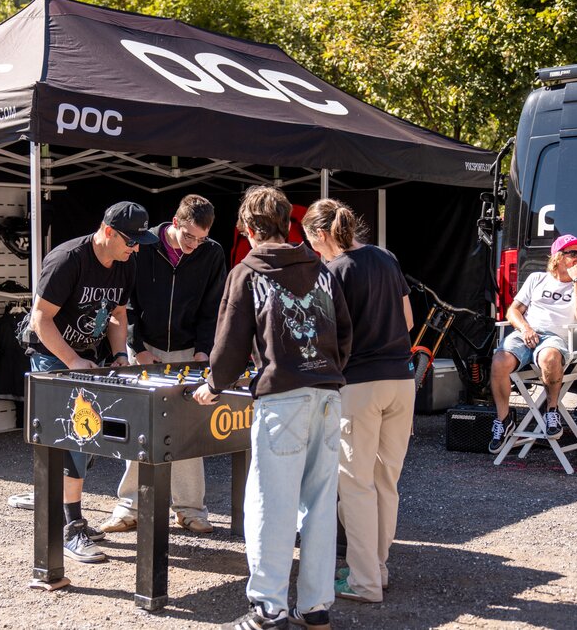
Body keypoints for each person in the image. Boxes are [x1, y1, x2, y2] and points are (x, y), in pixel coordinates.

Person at [193, 186, 352, 630]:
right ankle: (315, 606)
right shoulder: (320, 269)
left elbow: (229, 344)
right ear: (288, 222)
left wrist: (213, 385)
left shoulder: (247, 272)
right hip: (327, 394)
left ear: (248, 227)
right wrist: (326, 371)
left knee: (270, 504)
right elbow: (344, 333)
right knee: (320, 505)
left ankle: (269, 609)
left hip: (283, 399)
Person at [24, 201, 157, 562]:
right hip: (53, 356)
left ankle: (63, 512)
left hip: (87, 357)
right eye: (131, 241)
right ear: (108, 231)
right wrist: (72, 361)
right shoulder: (68, 260)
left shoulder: (125, 263)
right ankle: (71, 527)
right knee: (74, 440)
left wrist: (119, 354)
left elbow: (118, 313)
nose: (136, 249)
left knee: (89, 440)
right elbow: (40, 319)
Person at [301, 198, 414, 605]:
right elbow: (408, 320)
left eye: (310, 240)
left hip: (359, 386)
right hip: (401, 381)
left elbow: (323, 336)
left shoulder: (332, 272)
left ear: (321, 234)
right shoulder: (385, 257)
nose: (310, 247)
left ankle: (365, 581)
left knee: (355, 486)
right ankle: (376, 569)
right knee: (385, 482)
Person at [100, 195, 227, 534]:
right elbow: (125, 303)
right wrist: (138, 347)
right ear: (175, 221)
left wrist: (204, 351)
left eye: (201, 239)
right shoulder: (143, 246)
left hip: (190, 351)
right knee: (140, 429)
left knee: (190, 431)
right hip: (146, 349)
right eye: (189, 236)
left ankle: (190, 509)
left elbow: (214, 307)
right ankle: (130, 506)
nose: (194, 245)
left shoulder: (212, 253)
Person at [489, 233, 577, 452]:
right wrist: (525, 328)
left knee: (550, 357)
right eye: (573, 253)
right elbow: (513, 311)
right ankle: (504, 419)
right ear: (558, 257)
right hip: (526, 332)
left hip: (555, 338)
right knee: (499, 361)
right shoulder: (537, 279)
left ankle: (551, 411)